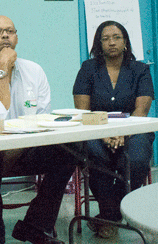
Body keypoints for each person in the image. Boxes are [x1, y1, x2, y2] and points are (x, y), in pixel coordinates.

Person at [0, 15, 75, 244]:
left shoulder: (34, 71)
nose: (5, 35)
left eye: (10, 31)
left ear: (16, 37)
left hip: (27, 148)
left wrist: (21, 146)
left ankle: (35, 226)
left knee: (68, 149)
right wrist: (2, 66)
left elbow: (44, 121)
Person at [72, 20, 154, 238]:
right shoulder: (88, 68)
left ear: (125, 41)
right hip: (96, 129)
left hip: (133, 128)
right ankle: (114, 213)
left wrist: (122, 132)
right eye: (105, 38)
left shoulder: (140, 70)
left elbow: (142, 110)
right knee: (93, 153)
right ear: (98, 44)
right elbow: (83, 111)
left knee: (135, 158)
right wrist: (104, 132)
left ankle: (109, 215)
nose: (111, 43)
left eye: (116, 37)